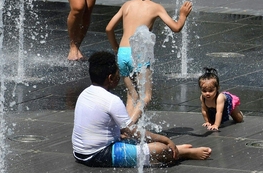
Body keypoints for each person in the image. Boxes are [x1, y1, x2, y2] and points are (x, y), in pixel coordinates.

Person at [72, 51, 211, 167]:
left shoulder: (85, 94)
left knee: (138, 140)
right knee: (161, 150)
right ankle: (180, 152)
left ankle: (174, 149)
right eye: (117, 73)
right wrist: (164, 139)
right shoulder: (111, 100)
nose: (119, 76)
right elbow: (132, 131)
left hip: (80, 153)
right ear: (110, 78)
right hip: (99, 155)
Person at [105, 0, 192, 122]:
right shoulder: (156, 7)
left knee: (132, 96)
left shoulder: (127, 5)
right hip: (139, 54)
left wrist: (115, 48)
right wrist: (183, 15)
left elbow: (108, 28)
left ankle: (125, 127)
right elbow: (176, 28)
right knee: (145, 97)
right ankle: (128, 126)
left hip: (123, 54)